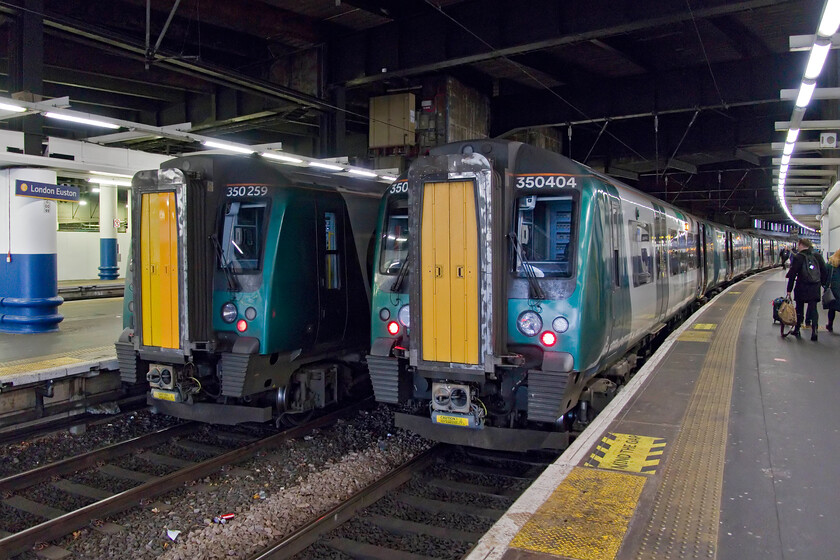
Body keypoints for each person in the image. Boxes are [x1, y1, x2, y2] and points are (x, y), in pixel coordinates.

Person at [786, 238, 828, 340]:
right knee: (813, 309)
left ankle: (797, 329)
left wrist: (789, 290)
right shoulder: (817, 256)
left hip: (801, 286)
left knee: (799, 308)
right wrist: (821, 284)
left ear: (800, 244)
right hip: (814, 287)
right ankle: (815, 330)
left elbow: (792, 274)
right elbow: (824, 271)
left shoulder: (798, 257)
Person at [825, 249, 840, 333]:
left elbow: (824, 274)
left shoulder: (831, 264)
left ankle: (830, 325)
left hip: (834, 290)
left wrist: (825, 286)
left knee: (832, 309)